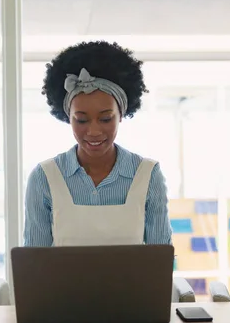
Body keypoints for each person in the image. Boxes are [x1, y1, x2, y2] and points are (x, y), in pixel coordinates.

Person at [23, 40, 173, 247]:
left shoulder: (147, 175)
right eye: (81, 120)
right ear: (68, 117)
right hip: (63, 282)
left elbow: (160, 260)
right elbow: (35, 262)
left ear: (121, 114)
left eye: (105, 119)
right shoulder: (44, 177)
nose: (93, 131)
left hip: (132, 282)